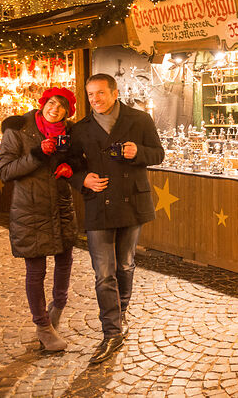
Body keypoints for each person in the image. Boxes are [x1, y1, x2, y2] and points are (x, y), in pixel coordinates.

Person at [70, 73, 164, 364]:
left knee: (125, 264)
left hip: (131, 202)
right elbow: (70, 167)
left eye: (100, 93)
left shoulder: (140, 120)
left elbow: (158, 154)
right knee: (104, 272)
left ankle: (121, 312)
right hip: (99, 204)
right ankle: (111, 331)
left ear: (114, 92)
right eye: (90, 95)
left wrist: (139, 152)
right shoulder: (81, 129)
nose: (95, 99)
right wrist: (83, 179)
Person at [0, 87, 78, 353]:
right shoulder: (18, 130)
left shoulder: (71, 132)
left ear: (68, 112)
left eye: (62, 106)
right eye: (52, 103)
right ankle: (43, 326)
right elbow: (5, 171)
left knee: (65, 261)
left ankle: (57, 309)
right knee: (36, 271)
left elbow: (81, 161)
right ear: (43, 104)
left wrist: (71, 168)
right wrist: (36, 155)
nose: (55, 109)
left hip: (61, 207)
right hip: (29, 211)